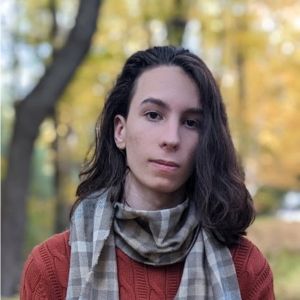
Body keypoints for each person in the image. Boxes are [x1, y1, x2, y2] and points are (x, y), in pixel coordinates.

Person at [20, 46, 274, 299]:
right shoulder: (52, 267)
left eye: (191, 122)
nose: (172, 138)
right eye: (154, 115)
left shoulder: (246, 269)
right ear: (120, 131)